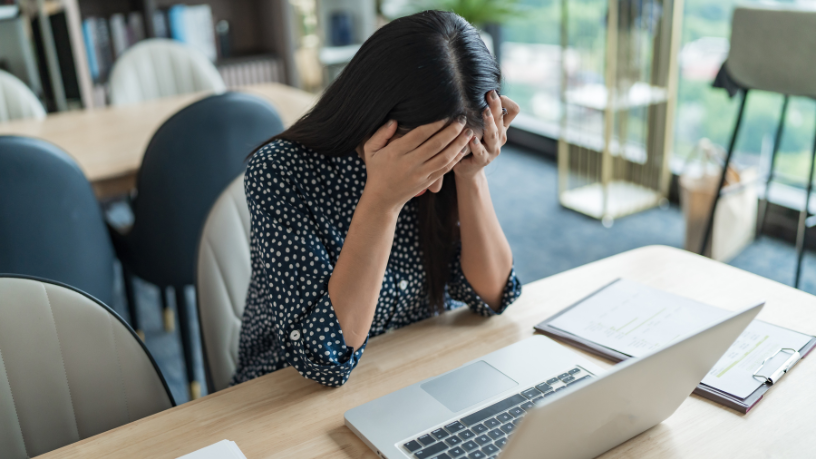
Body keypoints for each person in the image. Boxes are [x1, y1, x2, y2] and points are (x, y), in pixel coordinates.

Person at [232, 10, 522, 387]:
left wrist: (470, 174)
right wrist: (383, 201)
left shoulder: (453, 158)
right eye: (427, 158)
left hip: (405, 370)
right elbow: (325, 360)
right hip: (285, 390)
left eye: (452, 155)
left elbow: (492, 296)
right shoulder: (281, 172)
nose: (435, 180)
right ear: (373, 116)